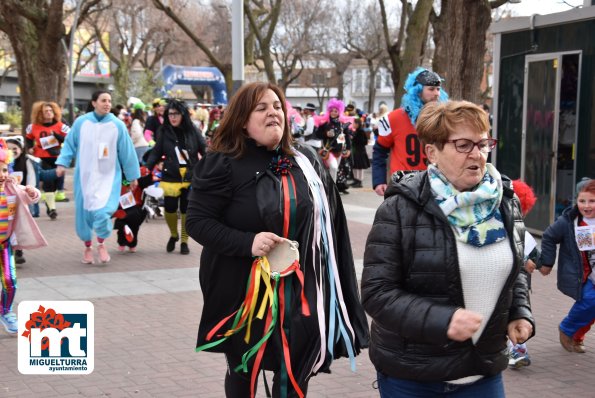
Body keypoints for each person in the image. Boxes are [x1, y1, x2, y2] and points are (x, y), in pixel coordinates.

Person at [186, 82, 369, 397]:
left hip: (299, 287)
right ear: (243, 120)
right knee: (245, 367)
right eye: (261, 108)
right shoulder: (223, 163)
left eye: (276, 106)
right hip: (243, 290)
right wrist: (248, 243)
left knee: (295, 365)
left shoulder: (306, 161)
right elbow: (198, 222)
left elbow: (329, 224)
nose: (272, 112)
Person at [361, 100, 534, 397]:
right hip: (413, 375)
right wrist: (444, 320)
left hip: (483, 369)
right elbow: (377, 293)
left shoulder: (505, 201)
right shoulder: (401, 207)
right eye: (463, 145)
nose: (477, 154)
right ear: (432, 152)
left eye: (482, 143)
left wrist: (519, 311)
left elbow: (513, 268)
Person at [56, 90, 140, 265]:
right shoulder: (81, 123)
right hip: (84, 178)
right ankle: (87, 247)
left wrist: (132, 176)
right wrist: (62, 163)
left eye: (109, 100)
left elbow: (127, 152)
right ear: (94, 103)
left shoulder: (117, 125)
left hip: (109, 178)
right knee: (85, 214)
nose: (107, 104)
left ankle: (101, 243)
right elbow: (69, 145)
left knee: (103, 212)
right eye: (103, 100)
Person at [372, 67, 449, 196]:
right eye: (431, 89)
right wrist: (379, 180)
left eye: (438, 89)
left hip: (436, 185)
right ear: (417, 91)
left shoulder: (445, 119)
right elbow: (380, 150)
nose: (437, 93)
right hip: (403, 186)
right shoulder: (394, 118)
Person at [539, 178, 595, 354]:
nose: (586, 206)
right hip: (584, 274)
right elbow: (548, 236)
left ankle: (577, 335)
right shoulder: (570, 222)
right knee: (590, 301)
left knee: (592, 310)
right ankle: (567, 328)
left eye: (592, 201)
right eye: (582, 201)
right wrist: (547, 262)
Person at [145, 99, 206, 255]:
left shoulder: (193, 130)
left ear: (183, 115)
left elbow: (204, 150)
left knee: (186, 210)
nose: (172, 117)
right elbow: (156, 152)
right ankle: (174, 234)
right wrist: (147, 167)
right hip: (170, 176)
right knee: (170, 209)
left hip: (190, 176)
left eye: (176, 114)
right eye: (170, 114)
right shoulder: (164, 131)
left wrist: (211, 167)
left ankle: (184, 241)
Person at [0, 138, 47, 335]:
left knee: (10, 280)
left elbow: (31, 196)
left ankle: (6, 311)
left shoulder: (12, 188)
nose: (2, 174)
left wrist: (32, 192)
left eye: (4, 170)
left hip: (5, 244)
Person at [25, 101, 70, 219]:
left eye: (51, 110)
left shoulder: (61, 126)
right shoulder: (33, 127)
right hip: (42, 157)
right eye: (46, 111)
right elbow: (28, 138)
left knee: (56, 183)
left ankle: (50, 203)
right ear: (40, 113)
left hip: (57, 157)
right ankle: (51, 209)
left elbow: (69, 140)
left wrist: (56, 135)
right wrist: (30, 148)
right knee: (48, 183)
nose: (49, 113)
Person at [314, 98, 353, 192]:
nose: (334, 112)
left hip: (339, 151)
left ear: (339, 112)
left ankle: (329, 188)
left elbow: (347, 137)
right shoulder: (325, 123)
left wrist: (348, 149)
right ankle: (332, 189)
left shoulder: (342, 124)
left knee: (333, 170)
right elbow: (317, 134)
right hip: (328, 150)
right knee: (334, 167)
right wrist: (325, 134)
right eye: (332, 110)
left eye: (336, 111)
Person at [350, 117, 371, 188]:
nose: (353, 124)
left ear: (357, 124)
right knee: (356, 166)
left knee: (359, 167)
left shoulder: (360, 131)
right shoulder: (357, 131)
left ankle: (359, 181)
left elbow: (363, 142)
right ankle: (356, 180)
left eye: (354, 123)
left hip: (360, 151)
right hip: (357, 151)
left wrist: (354, 139)